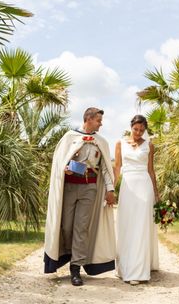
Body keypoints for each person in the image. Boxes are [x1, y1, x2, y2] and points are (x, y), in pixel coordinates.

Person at [44, 107, 117, 286]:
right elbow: (59, 163)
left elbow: (106, 168)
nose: (101, 124)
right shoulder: (69, 137)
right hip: (69, 187)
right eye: (99, 120)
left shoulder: (102, 142)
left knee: (81, 228)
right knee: (67, 227)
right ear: (89, 119)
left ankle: (75, 268)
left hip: (89, 188)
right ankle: (68, 254)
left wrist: (110, 190)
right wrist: (65, 168)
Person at [114, 114, 159, 285]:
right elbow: (117, 168)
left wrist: (156, 192)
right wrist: (111, 188)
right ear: (131, 127)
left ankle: (138, 271)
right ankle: (125, 266)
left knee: (141, 226)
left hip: (144, 186)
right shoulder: (120, 143)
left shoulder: (149, 145)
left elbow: (151, 170)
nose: (139, 132)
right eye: (136, 129)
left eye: (141, 130)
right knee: (127, 225)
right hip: (128, 186)